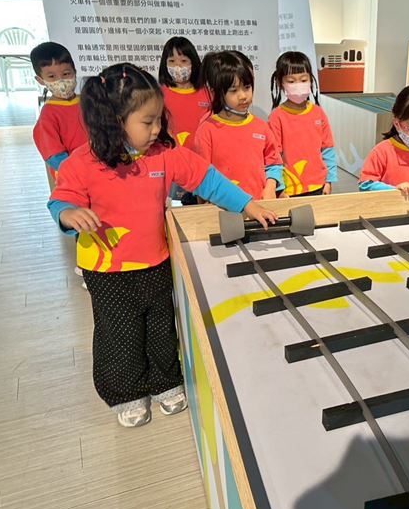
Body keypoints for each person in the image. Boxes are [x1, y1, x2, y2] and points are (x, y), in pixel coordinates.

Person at [47, 63, 277, 427]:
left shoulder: (163, 153)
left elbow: (206, 179)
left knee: (160, 327)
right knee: (119, 333)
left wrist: (246, 204)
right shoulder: (82, 162)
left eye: (159, 119)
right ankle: (127, 392)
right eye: (147, 122)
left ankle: (165, 382)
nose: (157, 129)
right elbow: (60, 200)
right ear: (113, 121)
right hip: (106, 270)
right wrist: (68, 213)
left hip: (155, 260)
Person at [194, 51, 284, 200]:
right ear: (216, 92)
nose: (243, 96)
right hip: (223, 210)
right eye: (234, 90)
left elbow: (274, 164)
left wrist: (271, 187)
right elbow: (201, 177)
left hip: (260, 208)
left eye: (247, 87)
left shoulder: (261, 127)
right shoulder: (207, 130)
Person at [268, 51, 337, 196]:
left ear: (311, 80)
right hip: (290, 189)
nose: (298, 85)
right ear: (281, 83)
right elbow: (274, 156)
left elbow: (327, 149)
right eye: (291, 81)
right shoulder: (276, 117)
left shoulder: (318, 113)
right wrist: (279, 187)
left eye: (303, 80)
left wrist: (329, 180)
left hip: (318, 185)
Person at [158, 36, 211, 204]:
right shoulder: (159, 95)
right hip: (173, 167)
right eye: (172, 61)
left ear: (193, 62)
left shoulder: (207, 93)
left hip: (203, 165)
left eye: (183, 61)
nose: (178, 66)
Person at [31, 41, 88, 189]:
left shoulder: (88, 102)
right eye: (52, 76)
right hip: (73, 178)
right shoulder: (47, 115)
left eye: (66, 74)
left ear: (74, 71)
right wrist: (77, 172)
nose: (61, 81)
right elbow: (54, 155)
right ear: (40, 80)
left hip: (98, 170)